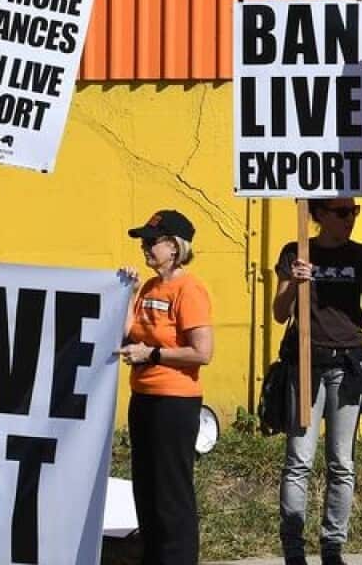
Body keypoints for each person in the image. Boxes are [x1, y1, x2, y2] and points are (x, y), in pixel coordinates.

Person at [272, 198, 362, 565]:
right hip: (305, 363)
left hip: (348, 363)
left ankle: (332, 548)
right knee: (299, 460)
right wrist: (294, 281)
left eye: (353, 212)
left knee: (342, 462)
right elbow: (279, 313)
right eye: (341, 212)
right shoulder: (296, 251)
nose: (350, 219)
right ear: (319, 215)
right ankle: (293, 549)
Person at [117, 209, 213, 565]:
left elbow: (203, 352)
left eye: (151, 241)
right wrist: (127, 291)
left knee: (171, 494)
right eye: (142, 241)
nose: (144, 247)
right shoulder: (150, 286)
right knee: (147, 490)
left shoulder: (189, 289)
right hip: (143, 398)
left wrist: (153, 354)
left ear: (174, 246)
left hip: (175, 403)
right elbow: (127, 332)